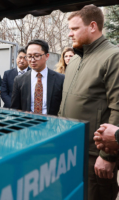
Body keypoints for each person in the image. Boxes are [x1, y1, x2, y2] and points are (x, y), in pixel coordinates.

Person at [58, 5, 119, 200]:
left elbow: (117, 108)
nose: (70, 34)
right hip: (69, 151)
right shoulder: (74, 60)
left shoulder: (113, 56)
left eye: (74, 29)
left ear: (93, 26)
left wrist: (107, 156)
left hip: (94, 157)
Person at [11, 39, 64, 115]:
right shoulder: (19, 80)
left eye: (36, 56)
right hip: (28, 124)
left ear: (47, 56)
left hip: (52, 124)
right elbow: (15, 109)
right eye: (29, 56)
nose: (32, 60)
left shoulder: (60, 79)